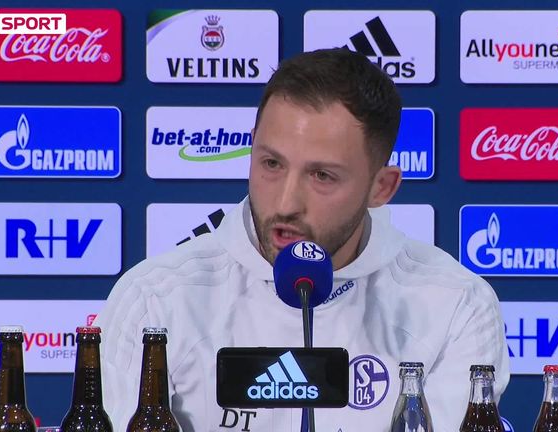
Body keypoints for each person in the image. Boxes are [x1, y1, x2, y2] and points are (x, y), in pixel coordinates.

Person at [94, 48, 509, 432]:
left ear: (381, 187)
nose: (286, 203)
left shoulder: (456, 306)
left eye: (322, 176)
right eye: (271, 163)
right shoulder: (155, 300)